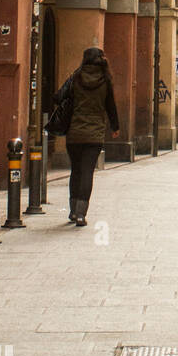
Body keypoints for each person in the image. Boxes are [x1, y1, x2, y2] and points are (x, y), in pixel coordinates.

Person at [54, 46, 119, 227]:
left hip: (74, 132)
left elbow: (58, 97)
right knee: (87, 172)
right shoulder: (105, 80)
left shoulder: (76, 77)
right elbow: (110, 105)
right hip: (95, 134)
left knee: (75, 170)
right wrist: (115, 126)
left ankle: (73, 211)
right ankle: (81, 214)